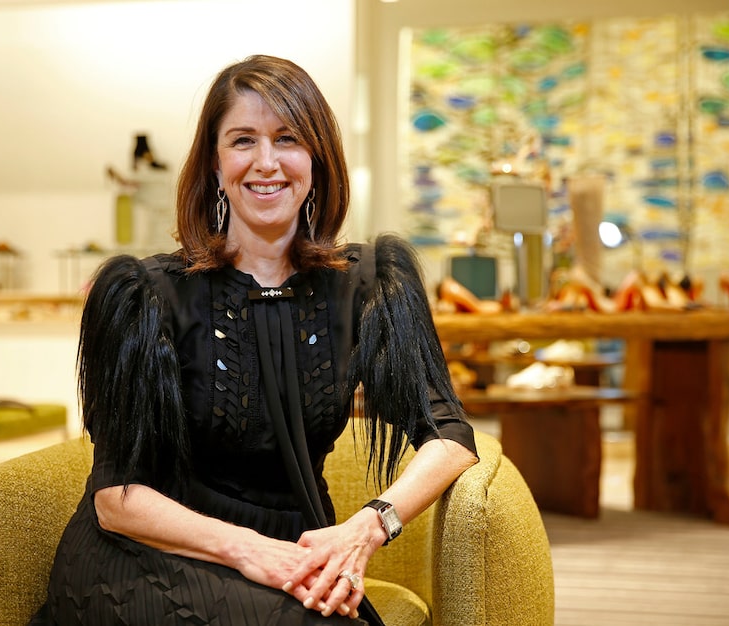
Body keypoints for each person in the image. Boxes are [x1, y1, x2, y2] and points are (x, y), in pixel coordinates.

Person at [30, 55, 478, 625]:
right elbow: (117, 501)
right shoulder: (145, 295)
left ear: (317, 160)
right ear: (215, 167)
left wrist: (366, 529)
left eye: (288, 138)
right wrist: (252, 553)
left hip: (298, 553)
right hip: (148, 559)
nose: (266, 162)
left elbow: (450, 436)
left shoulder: (369, 284)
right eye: (242, 140)